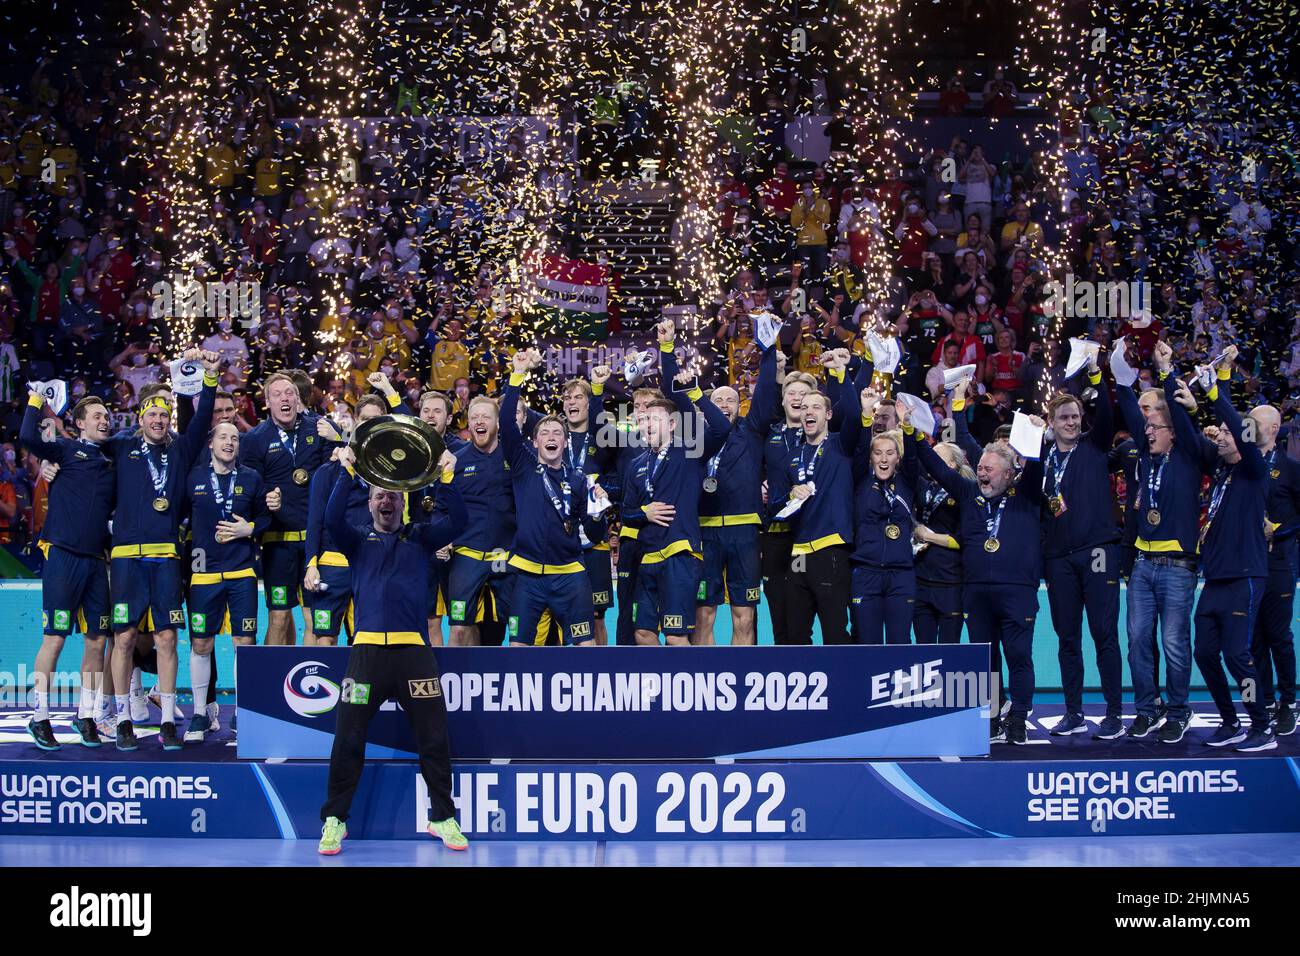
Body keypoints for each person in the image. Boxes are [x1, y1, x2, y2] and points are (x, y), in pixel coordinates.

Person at [317, 444, 468, 855]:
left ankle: (443, 817)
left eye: (393, 495)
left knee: (434, 738)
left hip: (414, 654)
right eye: (379, 494)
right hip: (366, 655)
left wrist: (448, 478)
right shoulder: (356, 541)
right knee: (347, 738)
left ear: (404, 501)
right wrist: (347, 470)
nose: (386, 499)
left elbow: (459, 520)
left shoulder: (421, 538)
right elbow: (331, 518)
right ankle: (335, 820)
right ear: (369, 503)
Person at [913, 382, 1046, 745]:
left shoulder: (1026, 494)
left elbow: (1035, 466)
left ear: (1008, 472)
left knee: (1018, 654)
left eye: (990, 469)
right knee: (985, 663)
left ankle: (1018, 718)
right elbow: (934, 466)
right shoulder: (970, 492)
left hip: (1016, 591)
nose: (983, 473)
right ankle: (989, 719)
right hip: (976, 592)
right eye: (981, 468)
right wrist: (912, 432)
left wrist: (1032, 434)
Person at [106, 348, 220, 751]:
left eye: (164, 413)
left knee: (168, 637)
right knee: (123, 638)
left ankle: (169, 718)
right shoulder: (119, 447)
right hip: (125, 560)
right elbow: (79, 454)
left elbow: (204, 417)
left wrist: (209, 378)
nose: (158, 420)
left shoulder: (181, 448)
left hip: (166, 557)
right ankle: (121, 718)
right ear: (140, 417)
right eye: (152, 414)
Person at [1116, 341, 1204, 743]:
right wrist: (1119, 373)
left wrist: (1166, 372)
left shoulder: (1188, 455)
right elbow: (1130, 410)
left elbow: (1184, 424)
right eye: (1146, 428)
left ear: (1173, 431)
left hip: (1178, 566)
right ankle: (1147, 709)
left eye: (1155, 428)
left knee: (1172, 640)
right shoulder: (1146, 459)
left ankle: (1180, 709)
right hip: (1142, 565)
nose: (1146, 432)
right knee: (1136, 639)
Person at [19, 391, 115, 749]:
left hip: (95, 562)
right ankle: (39, 716)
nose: (104, 420)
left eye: (106, 416)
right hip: (62, 556)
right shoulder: (63, 450)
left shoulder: (112, 459)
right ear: (79, 423)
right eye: (96, 416)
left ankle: (86, 715)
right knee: (55, 638)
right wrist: (34, 398)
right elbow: (28, 438)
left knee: (97, 641)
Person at [1191, 348, 1274, 752]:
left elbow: (1238, 428)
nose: (1219, 435)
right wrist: (1183, 389)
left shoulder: (1254, 471)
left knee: (1237, 654)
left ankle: (1262, 724)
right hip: (1216, 578)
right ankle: (1229, 721)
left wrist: (1215, 395)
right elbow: (1192, 441)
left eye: (1225, 432)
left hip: (1245, 575)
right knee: (1204, 652)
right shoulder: (1223, 472)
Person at [673, 336, 779, 646]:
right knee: (703, 613)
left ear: (740, 405)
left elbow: (768, 389)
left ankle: (742, 678)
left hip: (744, 531)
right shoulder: (697, 436)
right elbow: (676, 396)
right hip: (704, 532)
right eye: (718, 400)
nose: (724, 405)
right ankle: (704, 679)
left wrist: (769, 348)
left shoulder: (753, 428)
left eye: (730, 400)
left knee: (743, 614)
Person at [628, 320, 729, 645]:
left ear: (672, 424)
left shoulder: (689, 450)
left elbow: (721, 429)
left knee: (675, 636)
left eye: (654, 418)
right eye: (644, 419)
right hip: (649, 556)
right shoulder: (637, 463)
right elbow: (626, 511)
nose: (647, 424)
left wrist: (695, 392)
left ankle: (688, 692)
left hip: (681, 555)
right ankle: (660, 693)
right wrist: (644, 512)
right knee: (643, 633)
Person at [1040, 355, 1125, 740]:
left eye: (1075, 416)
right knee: (1067, 636)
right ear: (1052, 424)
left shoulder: (1094, 446)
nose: (1072, 422)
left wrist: (1096, 374)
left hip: (1097, 550)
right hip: (1058, 557)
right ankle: (1073, 712)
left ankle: (1113, 712)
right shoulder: (1042, 460)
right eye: (1064, 418)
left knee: (1103, 632)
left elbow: (1106, 412)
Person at [180, 421, 274, 742]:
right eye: (223, 436)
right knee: (201, 644)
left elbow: (265, 516)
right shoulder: (193, 478)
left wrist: (250, 528)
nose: (229, 442)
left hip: (241, 573)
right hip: (203, 573)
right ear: (211, 443)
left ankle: (242, 712)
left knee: (243, 644)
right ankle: (199, 713)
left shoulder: (251, 478)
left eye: (234, 438)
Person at [499, 349, 599, 646]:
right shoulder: (523, 465)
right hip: (527, 575)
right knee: (518, 647)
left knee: (586, 647)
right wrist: (517, 375)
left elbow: (593, 533)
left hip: (570, 574)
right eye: (545, 433)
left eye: (558, 432)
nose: (552, 436)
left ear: (565, 442)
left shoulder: (578, 480)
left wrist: (597, 512)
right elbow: (506, 424)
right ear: (534, 441)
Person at [770, 349, 869, 645]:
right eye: (804, 408)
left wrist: (840, 372)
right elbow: (774, 507)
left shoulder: (842, 446)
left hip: (832, 550)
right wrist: (790, 494)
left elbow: (852, 412)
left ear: (828, 415)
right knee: (796, 634)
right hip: (798, 553)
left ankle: (843, 689)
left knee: (835, 632)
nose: (808, 412)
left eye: (816, 407)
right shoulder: (790, 458)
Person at [239, 372, 337, 645]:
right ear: (267, 403)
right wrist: (266, 500)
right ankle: (271, 683)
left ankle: (308, 683)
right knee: (279, 617)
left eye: (290, 393)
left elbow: (336, 472)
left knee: (312, 617)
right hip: (277, 544)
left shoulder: (318, 428)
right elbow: (250, 489)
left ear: (298, 399)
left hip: (314, 543)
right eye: (277, 394)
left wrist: (337, 438)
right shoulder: (254, 439)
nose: (285, 398)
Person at [304, 393, 391, 647]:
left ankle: (364, 688)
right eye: (364, 419)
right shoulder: (327, 472)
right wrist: (311, 564)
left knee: (367, 641)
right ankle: (325, 688)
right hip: (332, 563)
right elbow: (314, 522)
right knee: (325, 639)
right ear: (354, 421)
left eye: (376, 420)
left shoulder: (389, 475)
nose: (369, 425)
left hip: (371, 565)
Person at [850, 394, 919, 644]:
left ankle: (899, 685)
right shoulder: (861, 481)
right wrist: (867, 415)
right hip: (866, 572)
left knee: (899, 643)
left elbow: (913, 457)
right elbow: (858, 450)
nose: (883, 458)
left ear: (897, 458)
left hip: (900, 574)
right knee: (868, 645)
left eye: (889, 453)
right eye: (877, 453)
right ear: (871, 458)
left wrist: (907, 426)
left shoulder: (907, 482)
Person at [1248, 404, 1299, 736]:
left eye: (1255, 424)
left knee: (1278, 635)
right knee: (1253, 638)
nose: (1248, 429)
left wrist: (1277, 529)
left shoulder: (1291, 469)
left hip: (1279, 561)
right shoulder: (1245, 465)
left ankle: (1289, 701)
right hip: (1248, 562)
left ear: (1274, 428)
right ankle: (1264, 698)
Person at [760, 367, 818, 645]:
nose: (796, 398)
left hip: (804, 535)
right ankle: (783, 667)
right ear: (782, 400)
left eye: (803, 394)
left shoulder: (818, 438)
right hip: (774, 534)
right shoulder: (768, 435)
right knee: (777, 609)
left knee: (799, 610)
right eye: (791, 393)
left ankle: (804, 664)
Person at [558, 366, 614, 644]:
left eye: (578, 397)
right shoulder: (553, 435)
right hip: (558, 538)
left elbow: (616, 474)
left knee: (596, 615)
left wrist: (598, 392)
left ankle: (602, 671)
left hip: (594, 539)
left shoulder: (602, 436)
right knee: (558, 611)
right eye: (567, 397)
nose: (571, 402)